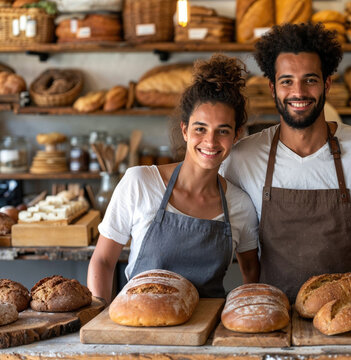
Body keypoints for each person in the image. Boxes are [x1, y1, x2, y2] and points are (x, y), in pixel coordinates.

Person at [221, 23, 351, 301]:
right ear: (273, 88)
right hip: (275, 318)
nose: (299, 92)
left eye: (310, 80)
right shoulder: (243, 158)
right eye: (287, 81)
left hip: (346, 321)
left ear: (327, 83)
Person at [88, 54, 260, 303]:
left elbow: (252, 273)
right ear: (185, 131)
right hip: (139, 328)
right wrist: (98, 316)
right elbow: (103, 261)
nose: (210, 142)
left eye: (222, 131)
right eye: (200, 129)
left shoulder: (240, 204)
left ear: (236, 135)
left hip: (207, 332)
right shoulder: (141, 182)